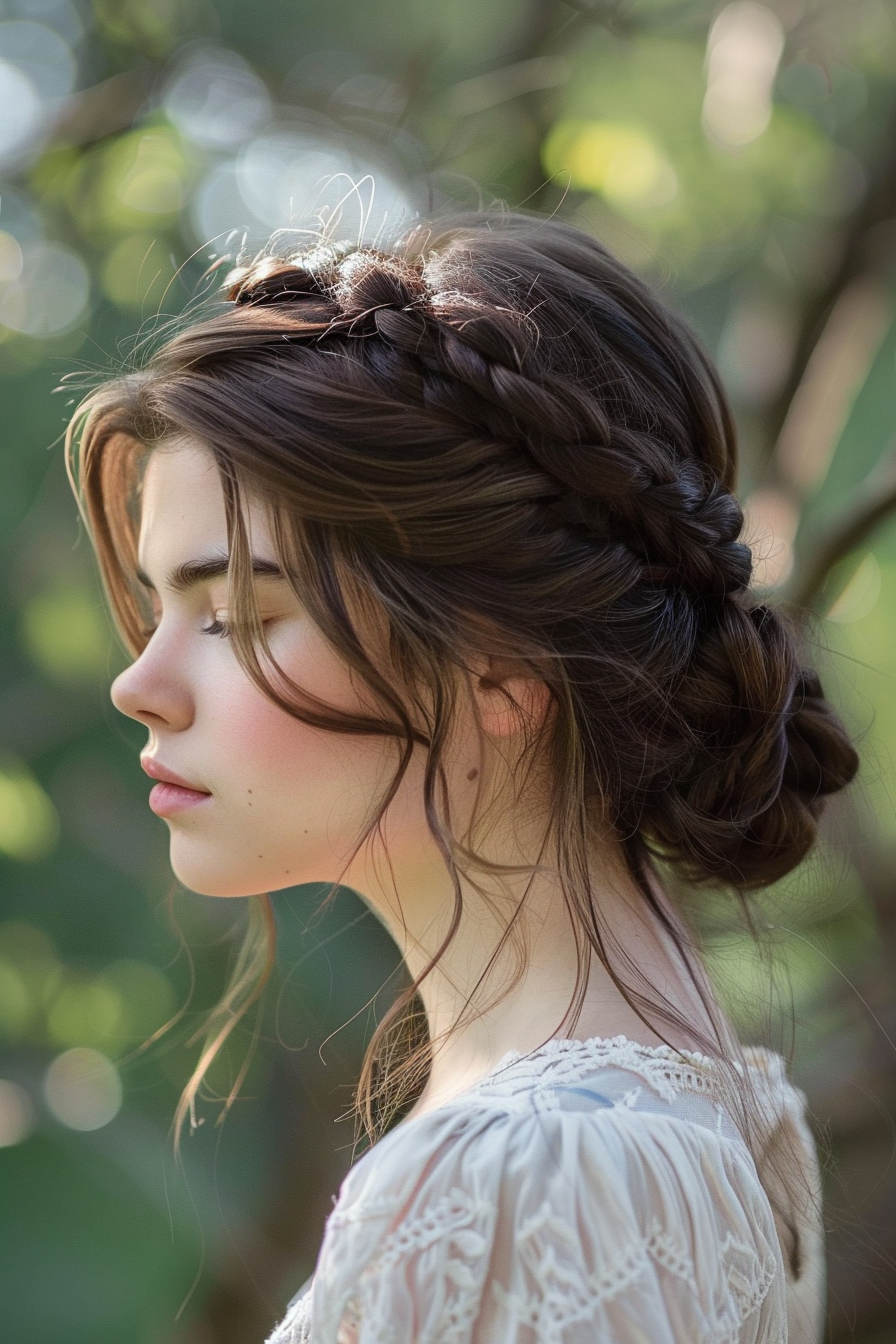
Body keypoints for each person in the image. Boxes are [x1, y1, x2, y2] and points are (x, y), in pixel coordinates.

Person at [66, 211, 858, 1344]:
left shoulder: (523, 1181)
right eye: (158, 610)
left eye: (238, 614)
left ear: (498, 668)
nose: (138, 684)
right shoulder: (696, 1114)